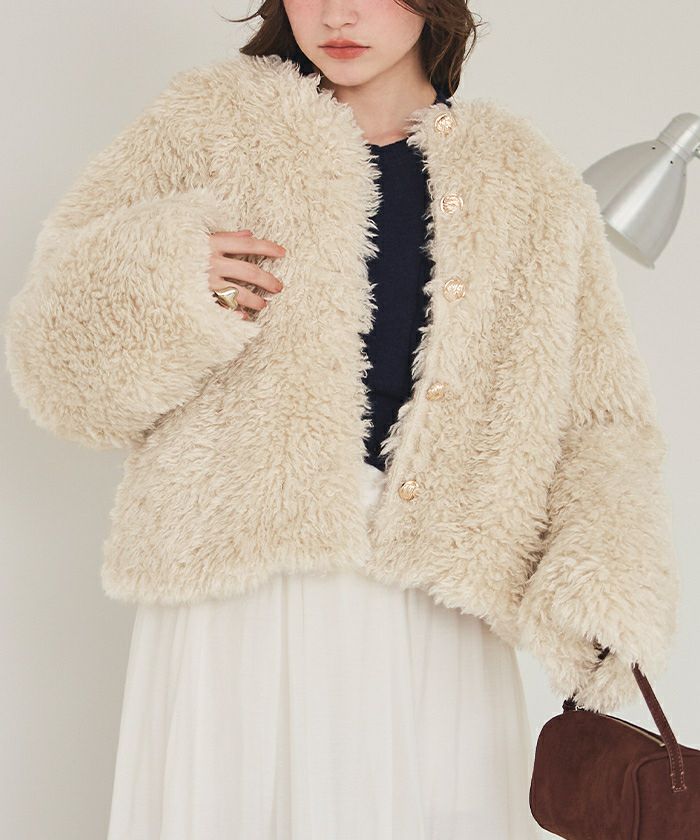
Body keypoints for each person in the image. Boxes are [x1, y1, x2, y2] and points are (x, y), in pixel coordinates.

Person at [3, 1, 680, 838]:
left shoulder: (524, 178)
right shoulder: (206, 125)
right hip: (239, 589)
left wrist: (603, 580)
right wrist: (165, 271)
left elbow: (599, 413)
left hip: (437, 604)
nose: (337, 13)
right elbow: (55, 367)